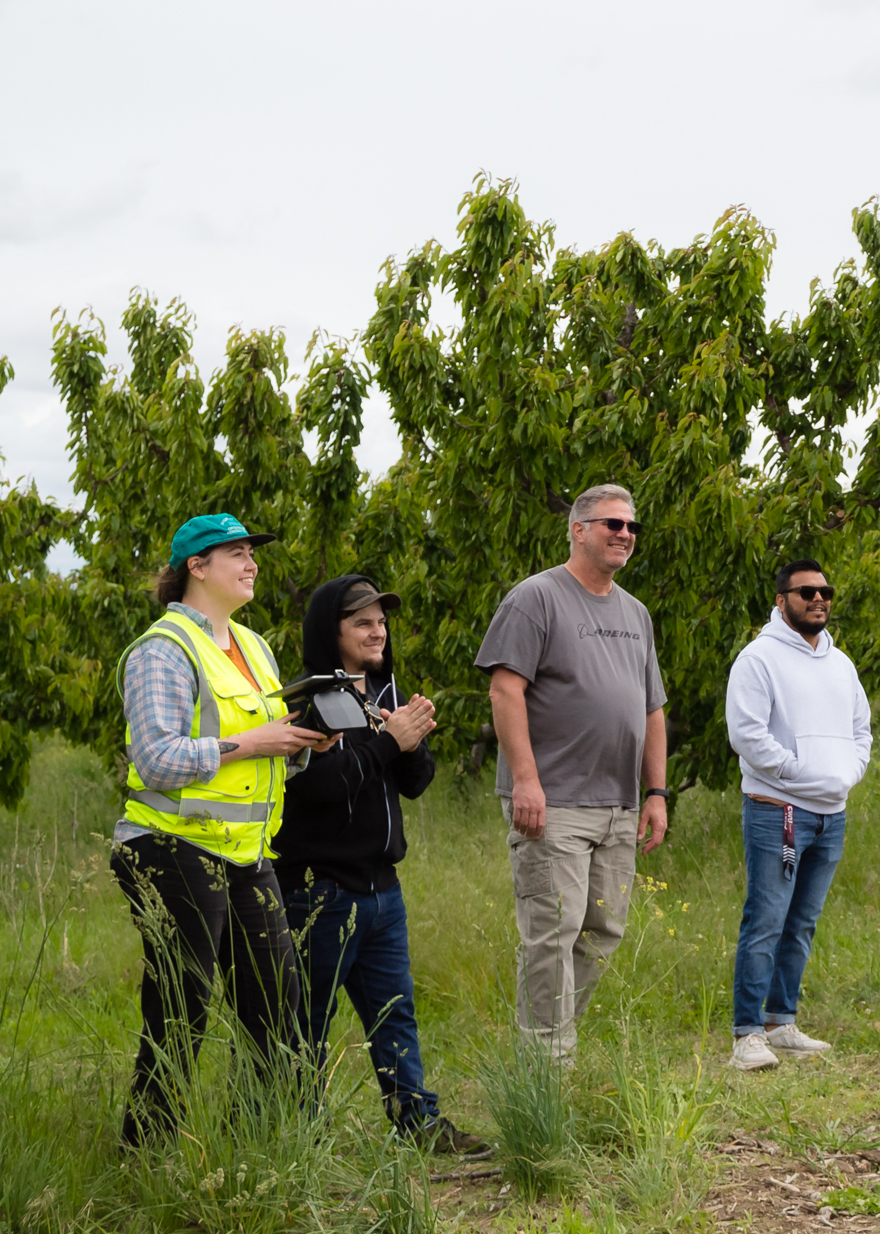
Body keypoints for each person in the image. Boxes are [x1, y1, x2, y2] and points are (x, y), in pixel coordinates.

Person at [112, 513, 329, 1147]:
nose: (251, 563)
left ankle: (262, 1150)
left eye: (252, 553)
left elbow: (262, 751)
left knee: (279, 1006)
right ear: (196, 568)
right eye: (235, 553)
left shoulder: (255, 646)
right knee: (185, 1011)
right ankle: (146, 1157)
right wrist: (249, 740)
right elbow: (155, 758)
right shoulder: (165, 649)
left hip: (245, 852)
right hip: (171, 846)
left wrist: (298, 741)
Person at [273, 575, 488, 1155]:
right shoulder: (305, 702)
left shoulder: (382, 696)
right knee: (303, 1028)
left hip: (381, 890)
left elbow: (414, 784)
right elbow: (321, 787)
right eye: (362, 621)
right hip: (319, 892)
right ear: (330, 631)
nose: (377, 631)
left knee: (395, 1016)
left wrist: (410, 742)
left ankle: (418, 1123)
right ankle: (295, 1138)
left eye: (382, 621)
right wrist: (390, 742)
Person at [477, 484, 671, 1062]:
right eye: (611, 523)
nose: (624, 534)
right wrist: (526, 780)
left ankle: (553, 1041)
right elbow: (504, 689)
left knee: (602, 933)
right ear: (578, 530)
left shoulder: (636, 613)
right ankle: (545, 1069)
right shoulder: (535, 598)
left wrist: (655, 793)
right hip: (553, 800)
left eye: (631, 526)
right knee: (551, 934)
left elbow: (650, 708)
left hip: (618, 804)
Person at [723, 559, 872, 1071]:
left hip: (832, 813)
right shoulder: (758, 659)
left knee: (803, 921)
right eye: (806, 591)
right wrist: (794, 770)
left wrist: (846, 774)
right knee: (766, 917)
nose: (818, 599)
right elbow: (746, 733)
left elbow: (861, 730)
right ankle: (746, 1035)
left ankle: (780, 1022)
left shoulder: (841, 664)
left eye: (825, 591)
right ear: (782, 597)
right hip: (778, 811)